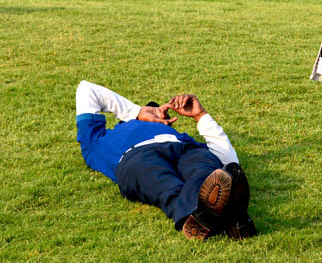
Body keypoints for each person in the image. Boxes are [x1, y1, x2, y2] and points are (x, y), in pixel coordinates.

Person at [75, 80, 256, 240]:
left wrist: (200, 115)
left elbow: (228, 161)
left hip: (183, 149)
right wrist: (136, 111)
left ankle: (220, 217)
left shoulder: (179, 136)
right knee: (163, 184)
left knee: (205, 171)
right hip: (136, 156)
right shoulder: (98, 141)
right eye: (154, 109)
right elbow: (87, 89)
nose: (161, 111)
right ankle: (229, 217)